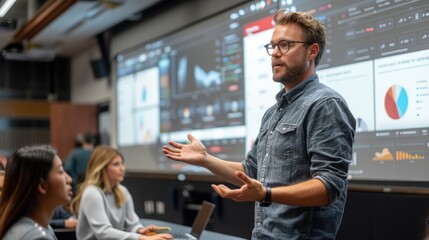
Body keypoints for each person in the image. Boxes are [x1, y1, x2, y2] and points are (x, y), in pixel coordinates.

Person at [162, 9, 356, 240]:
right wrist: (206, 159)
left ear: (312, 50)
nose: (274, 53)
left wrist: (266, 193)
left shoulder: (325, 104)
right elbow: (252, 171)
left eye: (285, 45)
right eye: (272, 46)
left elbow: (329, 186)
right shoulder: (272, 113)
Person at [70, 145, 172, 240]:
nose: (122, 168)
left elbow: (132, 224)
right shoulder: (92, 193)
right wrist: (141, 238)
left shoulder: (122, 191)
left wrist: (140, 230)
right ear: (102, 168)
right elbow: (103, 232)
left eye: (122, 163)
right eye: (116, 164)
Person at [0, 145, 73, 240]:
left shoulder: (28, 226)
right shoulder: (36, 236)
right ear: (42, 186)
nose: (69, 179)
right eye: (61, 171)